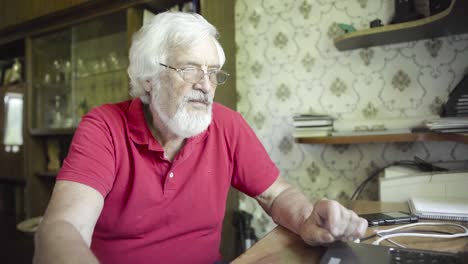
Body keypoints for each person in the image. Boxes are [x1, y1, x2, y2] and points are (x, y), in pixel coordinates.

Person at [33, 12, 367, 264]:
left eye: (212, 73)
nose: (205, 84)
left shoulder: (227, 125)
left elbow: (275, 194)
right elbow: (63, 227)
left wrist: (307, 219)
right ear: (149, 79)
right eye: (190, 68)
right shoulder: (104, 126)